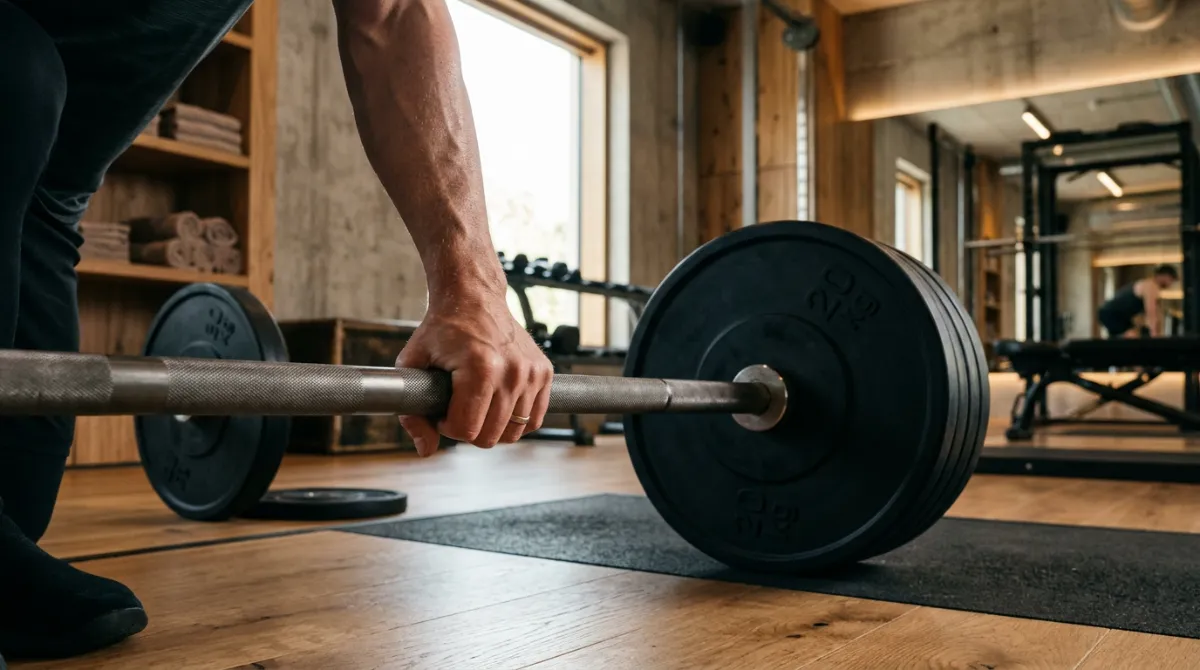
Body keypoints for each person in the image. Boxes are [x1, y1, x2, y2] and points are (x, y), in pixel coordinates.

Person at [0, 0, 553, 661]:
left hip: (46, 196)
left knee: (16, 511)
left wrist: (474, 291)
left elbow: (395, 10)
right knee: (16, 66)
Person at [1097, 265, 1179, 338]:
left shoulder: (1150, 285)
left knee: (1132, 333)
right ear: (1165, 276)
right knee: (1132, 335)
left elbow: (1155, 314)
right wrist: (1155, 336)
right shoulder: (1151, 286)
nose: (1170, 284)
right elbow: (1151, 313)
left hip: (1117, 315)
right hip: (1112, 314)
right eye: (1170, 280)